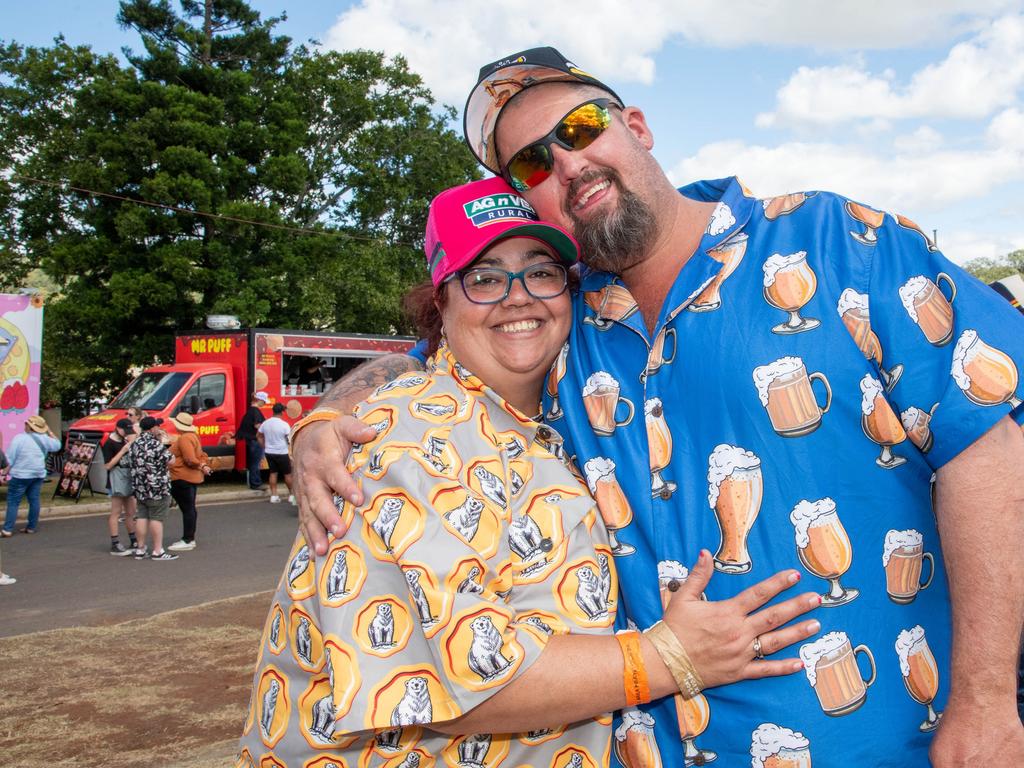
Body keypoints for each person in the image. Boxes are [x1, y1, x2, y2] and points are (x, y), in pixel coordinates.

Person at [292, 48, 1024, 767]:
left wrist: (986, 701)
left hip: (886, 741)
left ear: (636, 126)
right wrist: (322, 422)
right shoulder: (555, 322)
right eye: (533, 165)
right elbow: (424, 357)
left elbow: (985, 445)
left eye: (579, 129)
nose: (568, 164)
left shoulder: (834, 240)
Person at [239, 177, 820, 767]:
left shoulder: (546, 415)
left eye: (540, 272)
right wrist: (672, 656)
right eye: (484, 278)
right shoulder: (401, 433)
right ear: (441, 301)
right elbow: (451, 682)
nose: (517, 297)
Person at [126, 416, 178, 561]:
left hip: (140, 486)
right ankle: (158, 550)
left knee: (142, 516)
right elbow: (171, 460)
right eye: (157, 426)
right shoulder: (155, 444)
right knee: (156, 518)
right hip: (157, 487)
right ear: (152, 428)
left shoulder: (134, 444)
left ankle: (140, 548)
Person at [2, 415, 61, 536]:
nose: (25, 425)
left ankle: (7, 529)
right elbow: (57, 445)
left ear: (30, 426)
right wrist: (49, 431)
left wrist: (5, 470)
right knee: (34, 500)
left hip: (20, 475)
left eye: (26, 423)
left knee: (13, 502)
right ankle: (31, 527)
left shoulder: (19, 438)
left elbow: (10, 457)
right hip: (38, 474)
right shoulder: (45, 439)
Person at [167, 411, 212, 551]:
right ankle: (189, 538)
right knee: (190, 508)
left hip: (182, 477)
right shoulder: (193, 436)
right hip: (191, 477)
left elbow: (190, 459)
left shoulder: (184, 438)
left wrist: (200, 465)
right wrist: (202, 465)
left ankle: (188, 539)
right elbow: (201, 455)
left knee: (188, 509)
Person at [101, 418, 140, 555]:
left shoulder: (125, 440)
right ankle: (115, 542)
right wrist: (123, 451)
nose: (127, 433)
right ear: (118, 428)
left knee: (130, 512)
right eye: (125, 430)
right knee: (116, 512)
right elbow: (107, 465)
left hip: (127, 479)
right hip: (116, 481)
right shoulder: (109, 443)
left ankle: (133, 539)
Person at [257, 402, 293, 504]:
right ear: (282, 412)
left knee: (273, 473)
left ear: (273, 411)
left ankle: (273, 495)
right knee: (287, 474)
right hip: (282, 452)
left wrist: (263, 446)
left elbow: (258, 436)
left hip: (269, 452)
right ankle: (291, 495)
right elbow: (289, 439)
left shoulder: (266, 423)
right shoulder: (284, 425)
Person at [236, 391, 268, 490]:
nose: (265, 403)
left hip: (251, 440)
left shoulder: (251, 411)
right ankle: (256, 483)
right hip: (255, 440)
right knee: (255, 463)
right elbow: (257, 425)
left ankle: (255, 482)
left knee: (254, 462)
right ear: (259, 400)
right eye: (264, 401)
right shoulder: (255, 411)